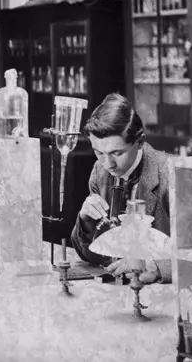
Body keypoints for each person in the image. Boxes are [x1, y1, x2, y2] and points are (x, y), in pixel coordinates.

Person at [70, 93, 172, 284]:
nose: (108, 164)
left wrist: (156, 268)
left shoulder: (168, 174)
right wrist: (85, 222)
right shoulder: (99, 172)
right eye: (99, 152)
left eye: (117, 153)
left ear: (139, 141)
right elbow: (92, 256)